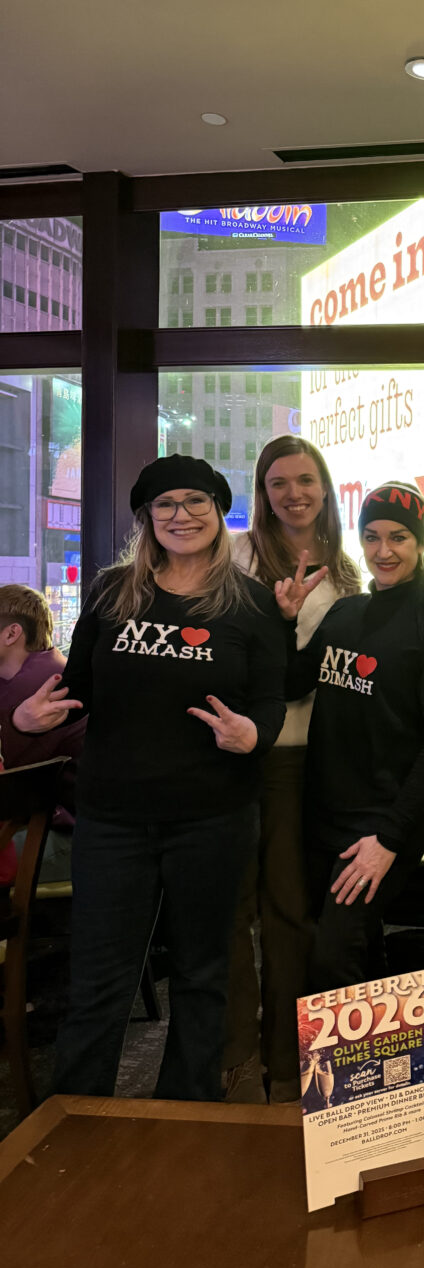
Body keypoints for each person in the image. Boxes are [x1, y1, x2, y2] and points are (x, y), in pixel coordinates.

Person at [15, 455, 287, 1101]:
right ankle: (78, 1122)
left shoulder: (251, 604)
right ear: (146, 518)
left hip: (213, 817)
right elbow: (75, 688)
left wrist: (253, 733)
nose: (181, 515)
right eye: (165, 504)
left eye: (196, 501)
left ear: (219, 512)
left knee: (201, 974)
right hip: (112, 817)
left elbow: (271, 702)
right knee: (100, 979)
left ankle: (187, 1118)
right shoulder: (113, 592)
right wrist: (29, 719)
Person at [282, 481, 424, 991]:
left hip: (383, 824)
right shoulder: (344, 612)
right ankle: (400, 1072)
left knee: (332, 959)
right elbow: (293, 682)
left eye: (399, 537)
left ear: (421, 542)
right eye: (372, 536)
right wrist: (287, 620)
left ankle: (354, 1074)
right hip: (322, 818)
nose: (384, 551)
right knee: (355, 953)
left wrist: (389, 839)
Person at [223, 435, 361, 1105]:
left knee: (290, 913)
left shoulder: (344, 566)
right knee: (242, 909)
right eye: (279, 482)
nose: (293, 493)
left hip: (316, 761)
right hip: (257, 755)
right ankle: (244, 1064)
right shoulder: (239, 555)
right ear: (263, 491)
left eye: (305, 479)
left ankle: (286, 1067)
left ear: (325, 487)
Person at [0, 585, 84, 887]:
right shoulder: (24, 676)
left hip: (68, 836)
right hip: (38, 824)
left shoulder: (45, 687)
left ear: (11, 634)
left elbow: (8, 777)